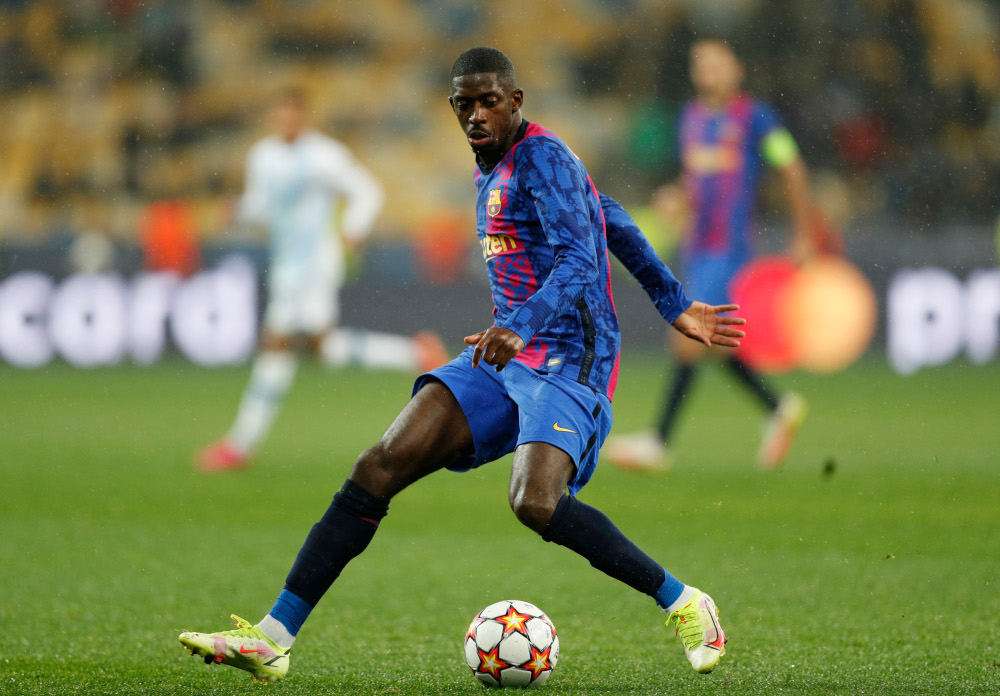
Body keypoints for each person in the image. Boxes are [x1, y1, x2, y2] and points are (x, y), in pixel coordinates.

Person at [178, 47, 745, 682]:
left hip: (568, 358)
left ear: (515, 101)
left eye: (488, 102)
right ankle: (273, 637)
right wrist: (668, 303)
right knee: (379, 464)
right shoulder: (491, 167)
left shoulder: (544, 157)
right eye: (463, 104)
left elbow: (584, 256)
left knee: (535, 502)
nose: (476, 115)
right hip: (503, 355)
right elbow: (606, 212)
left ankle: (685, 602)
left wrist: (653, 305)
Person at [196, 88, 448, 472]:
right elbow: (262, 204)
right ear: (273, 117)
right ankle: (414, 354)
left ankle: (240, 444)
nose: (287, 121)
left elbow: (367, 190)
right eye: (280, 114)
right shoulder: (262, 156)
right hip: (286, 264)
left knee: (276, 344)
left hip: (316, 263)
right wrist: (239, 211)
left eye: (293, 114)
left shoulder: (323, 156)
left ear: (304, 116)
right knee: (321, 349)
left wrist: (353, 228)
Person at [606, 38, 815, 472]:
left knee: (688, 332)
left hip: (729, 246)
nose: (712, 72)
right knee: (713, 343)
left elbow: (791, 166)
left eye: (720, 64)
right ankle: (777, 408)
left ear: (737, 70)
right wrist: (675, 198)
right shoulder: (691, 119)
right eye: (703, 65)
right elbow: (695, 181)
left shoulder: (755, 118)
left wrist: (803, 233)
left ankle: (659, 441)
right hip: (696, 245)